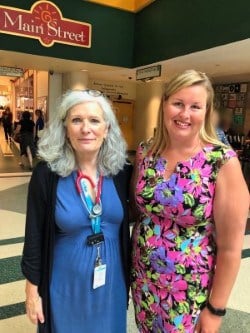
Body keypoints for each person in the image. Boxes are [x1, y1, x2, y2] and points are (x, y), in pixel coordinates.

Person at [130, 69, 249, 333]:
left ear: (206, 112)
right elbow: (140, 213)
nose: (185, 114)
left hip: (189, 292)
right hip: (144, 283)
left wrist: (215, 310)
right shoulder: (146, 152)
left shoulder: (221, 161)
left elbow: (230, 248)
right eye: (178, 104)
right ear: (164, 104)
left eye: (195, 106)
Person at [21, 89, 132, 333]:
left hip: (111, 284)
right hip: (64, 285)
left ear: (107, 129)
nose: (86, 128)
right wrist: (32, 290)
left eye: (94, 120)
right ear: (65, 128)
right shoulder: (46, 175)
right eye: (76, 120)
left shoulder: (121, 172)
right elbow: (34, 237)